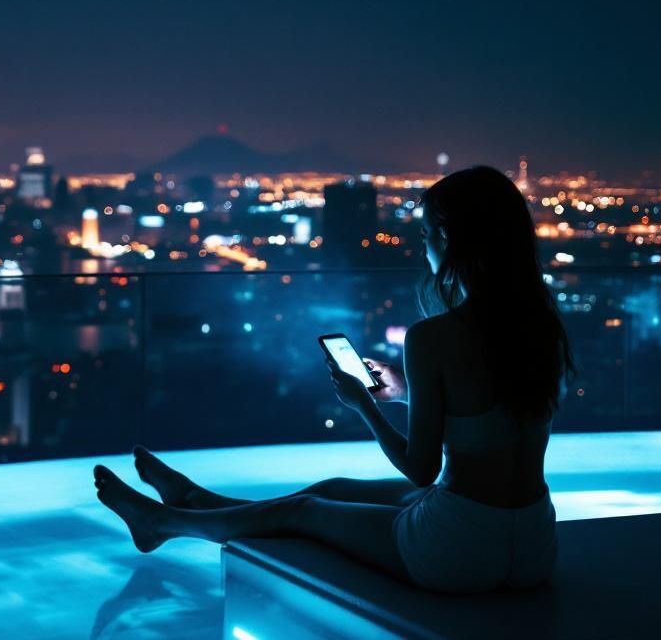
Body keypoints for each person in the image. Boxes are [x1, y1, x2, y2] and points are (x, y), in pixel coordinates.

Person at [93, 165, 575, 593]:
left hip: (456, 552)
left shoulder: (434, 337)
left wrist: (363, 404)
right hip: (534, 544)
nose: (422, 247)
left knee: (307, 512)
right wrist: (406, 392)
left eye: (427, 233)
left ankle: (163, 522)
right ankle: (197, 502)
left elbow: (421, 468)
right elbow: (489, 414)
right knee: (335, 486)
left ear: (450, 239)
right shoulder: (540, 327)